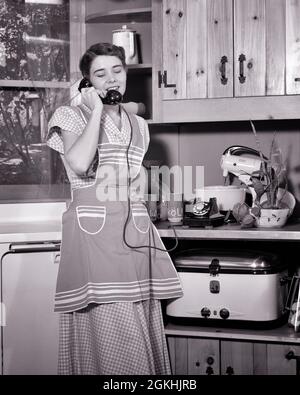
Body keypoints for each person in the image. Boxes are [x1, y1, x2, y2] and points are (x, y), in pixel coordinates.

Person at [46, 42, 183, 375]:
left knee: (142, 321)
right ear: (88, 82)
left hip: (134, 235)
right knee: (114, 327)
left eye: (117, 71)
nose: (110, 80)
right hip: (94, 237)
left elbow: (134, 180)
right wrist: (94, 110)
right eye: (100, 74)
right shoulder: (70, 114)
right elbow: (78, 163)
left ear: (126, 74)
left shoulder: (140, 125)